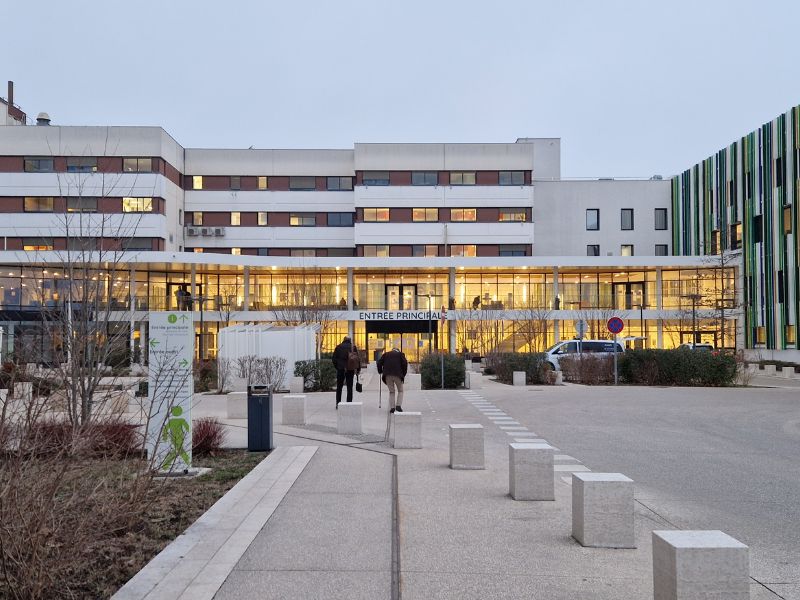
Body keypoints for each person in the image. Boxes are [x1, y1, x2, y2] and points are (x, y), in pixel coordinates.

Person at [376, 347, 408, 414]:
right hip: (398, 375)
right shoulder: (400, 354)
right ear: (398, 350)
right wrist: (403, 374)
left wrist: (380, 371)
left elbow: (379, 363)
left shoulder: (386, 354)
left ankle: (392, 408)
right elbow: (405, 364)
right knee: (400, 390)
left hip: (387, 375)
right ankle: (398, 406)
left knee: (392, 392)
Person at [332, 335, 360, 407]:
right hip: (350, 369)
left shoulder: (338, 347)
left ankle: (338, 403)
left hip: (341, 369)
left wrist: (337, 367)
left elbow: (334, 359)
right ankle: (349, 404)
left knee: (339, 387)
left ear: (343, 340)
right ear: (350, 340)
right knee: (349, 387)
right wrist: (358, 369)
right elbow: (357, 359)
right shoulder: (353, 347)